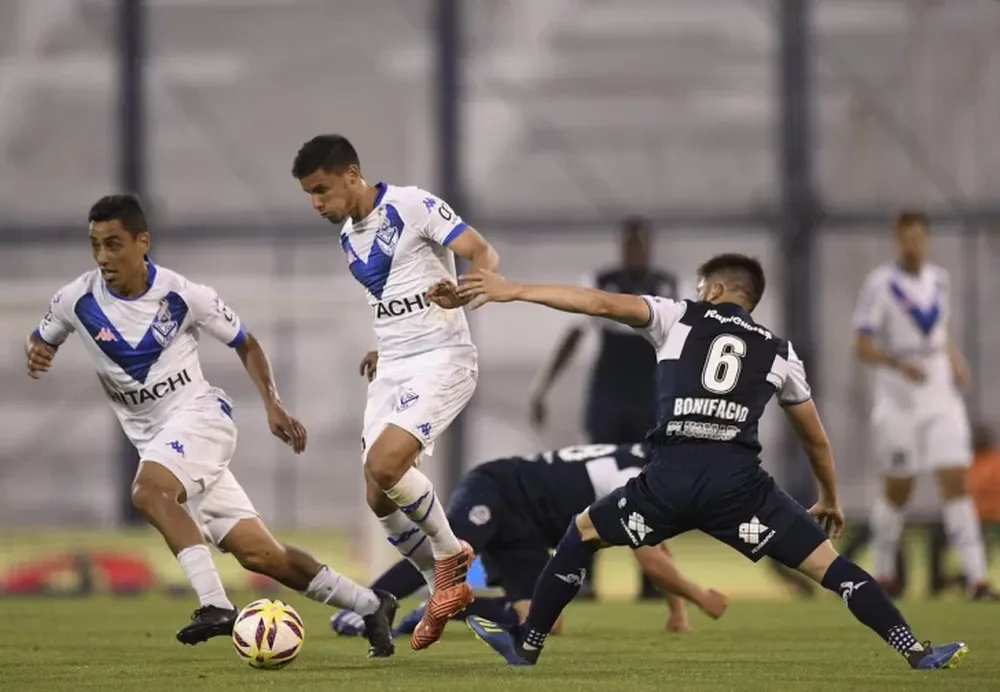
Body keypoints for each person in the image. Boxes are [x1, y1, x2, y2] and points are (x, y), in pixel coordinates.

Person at [459, 253, 967, 671]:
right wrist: (829, 498)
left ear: (717, 289)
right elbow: (815, 439)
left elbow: (597, 302)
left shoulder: (677, 317)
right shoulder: (779, 353)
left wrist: (515, 290)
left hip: (667, 483)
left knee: (581, 533)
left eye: (702, 287)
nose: (698, 293)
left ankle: (528, 645)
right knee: (832, 569)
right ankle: (916, 651)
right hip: (739, 491)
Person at [25, 194, 397, 657]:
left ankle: (216, 605)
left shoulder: (184, 296)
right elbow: (42, 337)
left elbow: (247, 343)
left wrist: (274, 405)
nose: (103, 257)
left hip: (201, 419)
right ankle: (371, 604)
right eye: (95, 245)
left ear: (142, 242)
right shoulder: (75, 299)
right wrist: (39, 350)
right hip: (160, 444)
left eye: (114, 244)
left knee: (149, 492)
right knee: (261, 555)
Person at [291, 134, 500, 650]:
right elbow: (392, 301)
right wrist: (382, 347)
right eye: (310, 195)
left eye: (321, 190)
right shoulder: (348, 235)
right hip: (394, 367)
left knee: (386, 466)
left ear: (351, 175)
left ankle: (449, 558)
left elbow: (483, 253)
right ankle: (441, 589)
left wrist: (464, 290)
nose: (316, 204)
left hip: (443, 359)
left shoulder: (412, 205)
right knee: (376, 492)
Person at [329, 438, 727, 638]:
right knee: (451, 556)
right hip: (499, 488)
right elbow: (650, 558)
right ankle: (363, 606)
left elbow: (655, 544)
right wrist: (700, 597)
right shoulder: (635, 477)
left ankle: (441, 609)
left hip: (528, 531)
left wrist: (678, 612)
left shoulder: (643, 460)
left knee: (545, 623)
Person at [530, 216, 680, 600]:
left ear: (650, 246)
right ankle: (586, 576)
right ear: (621, 245)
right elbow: (574, 334)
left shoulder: (666, 286)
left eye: (641, 244)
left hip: (650, 399)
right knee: (595, 484)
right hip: (608, 398)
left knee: (649, 487)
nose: (635, 251)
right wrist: (543, 387)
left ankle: (650, 579)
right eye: (629, 244)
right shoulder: (600, 281)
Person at [853, 210, 995, 600]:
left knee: (957, 483)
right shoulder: (880, 284)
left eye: (918, 238)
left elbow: (938, 332)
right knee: (899, 489)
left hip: (940, 395)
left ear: (926, 241)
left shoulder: (939, 281)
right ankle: (884, 573)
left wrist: (956, 362)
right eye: (905, 239)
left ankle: (977, 580)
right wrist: (898, 364)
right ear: (896, 242)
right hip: (898, 399)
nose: (912, 246)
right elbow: (862, 344)